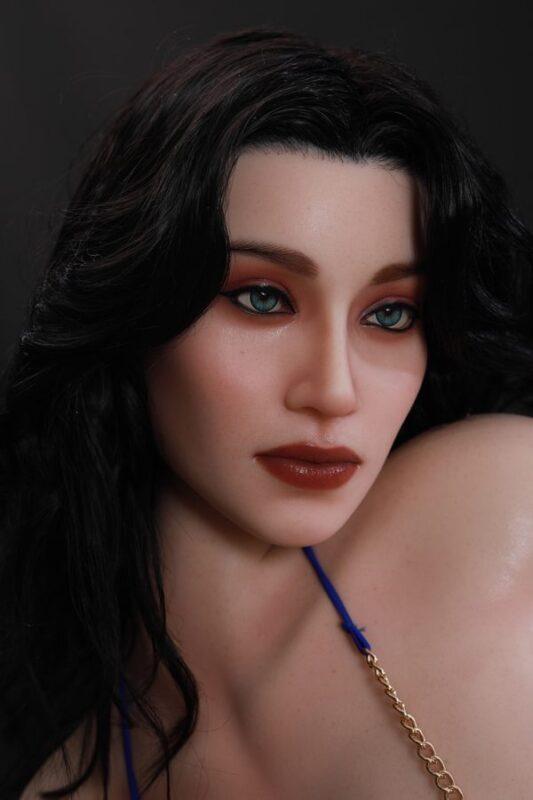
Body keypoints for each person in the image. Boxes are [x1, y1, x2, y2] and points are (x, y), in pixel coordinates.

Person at [1, 25, 532, 799]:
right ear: (137, 312)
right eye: (261, 298)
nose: (333, 391)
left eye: (389, 314)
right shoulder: (64, 783)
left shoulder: (504, 508)